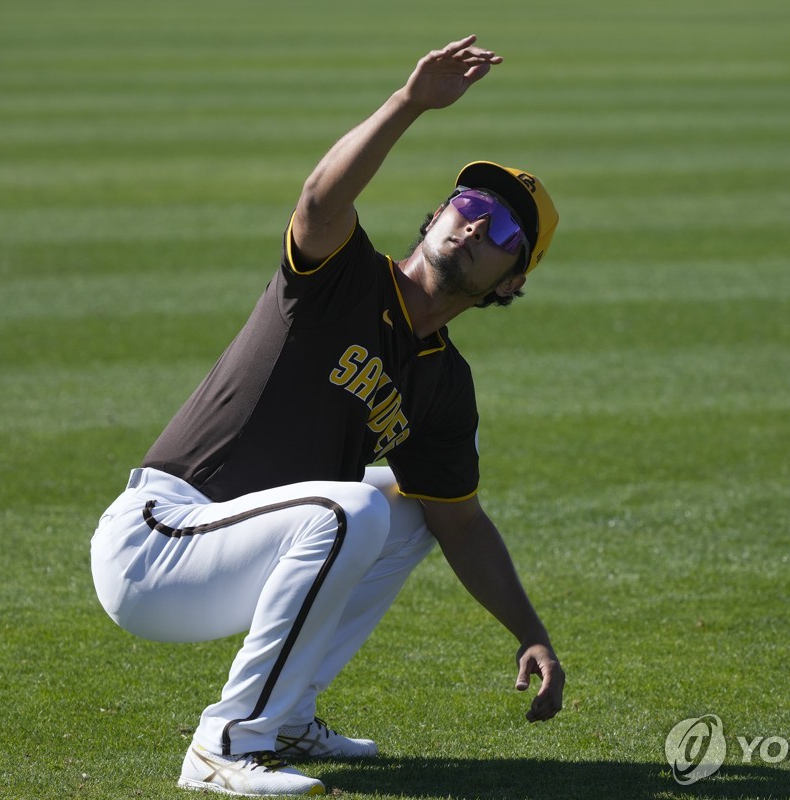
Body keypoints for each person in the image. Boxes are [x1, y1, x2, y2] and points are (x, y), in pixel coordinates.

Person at [90, 35, 564, 798]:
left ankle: (286, 714)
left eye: (504, 232)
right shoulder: (341, 276)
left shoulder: (444, 385)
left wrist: (531, 633)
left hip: (232, 553)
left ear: (510, 284)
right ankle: (224, 746)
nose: (476, 227)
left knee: (409, 508)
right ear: (439, 213)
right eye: (470, 206)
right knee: (350, 511)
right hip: (155, 544)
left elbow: (463, 526)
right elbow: (319, 199)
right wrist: (410, 102)